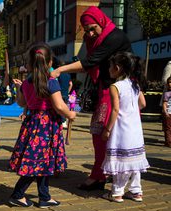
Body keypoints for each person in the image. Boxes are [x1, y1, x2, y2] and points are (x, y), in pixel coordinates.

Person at [50, 6, 132, 190]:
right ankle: (107, 172)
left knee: (100, 131)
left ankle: (100, 175)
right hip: (109, 88)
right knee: (104, 132)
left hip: (115, 90)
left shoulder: (114, 37)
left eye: (93, 28)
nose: (91, 33)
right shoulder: (98, 38)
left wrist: (60, 69)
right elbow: (88, 64)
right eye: (86, 31)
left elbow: (89, 62)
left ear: (101, 21)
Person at [8, 42, 76, 208]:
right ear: (51, 62)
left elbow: (22, 102)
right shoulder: (51, 82)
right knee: (36, 162)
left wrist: (18, 88)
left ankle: (44, 196)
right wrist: (70, 114)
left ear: (30, 64)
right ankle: (17, 194)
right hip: (47, 126)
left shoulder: (26, 83)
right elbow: (59, 106)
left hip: (33, 123)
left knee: (43, 161)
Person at [101, 52, 149, 202]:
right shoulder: (135, 84)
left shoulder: (115, 86)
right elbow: (143, 104)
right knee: (134, 160)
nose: (109, 69)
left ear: (117, 68)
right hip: (135, 129)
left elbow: (115, 110)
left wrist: (107, 129)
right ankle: (136, 191)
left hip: (121, 129)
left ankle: (117, 192)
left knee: (121, 160)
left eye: (110, 66)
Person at [162, 76, 171, 147]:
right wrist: (165, 112)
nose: (170, 84)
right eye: (169, 83)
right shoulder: (167, 93)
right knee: (167, 128)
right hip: (168, 113)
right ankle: (168, 142)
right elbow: (164, 103)